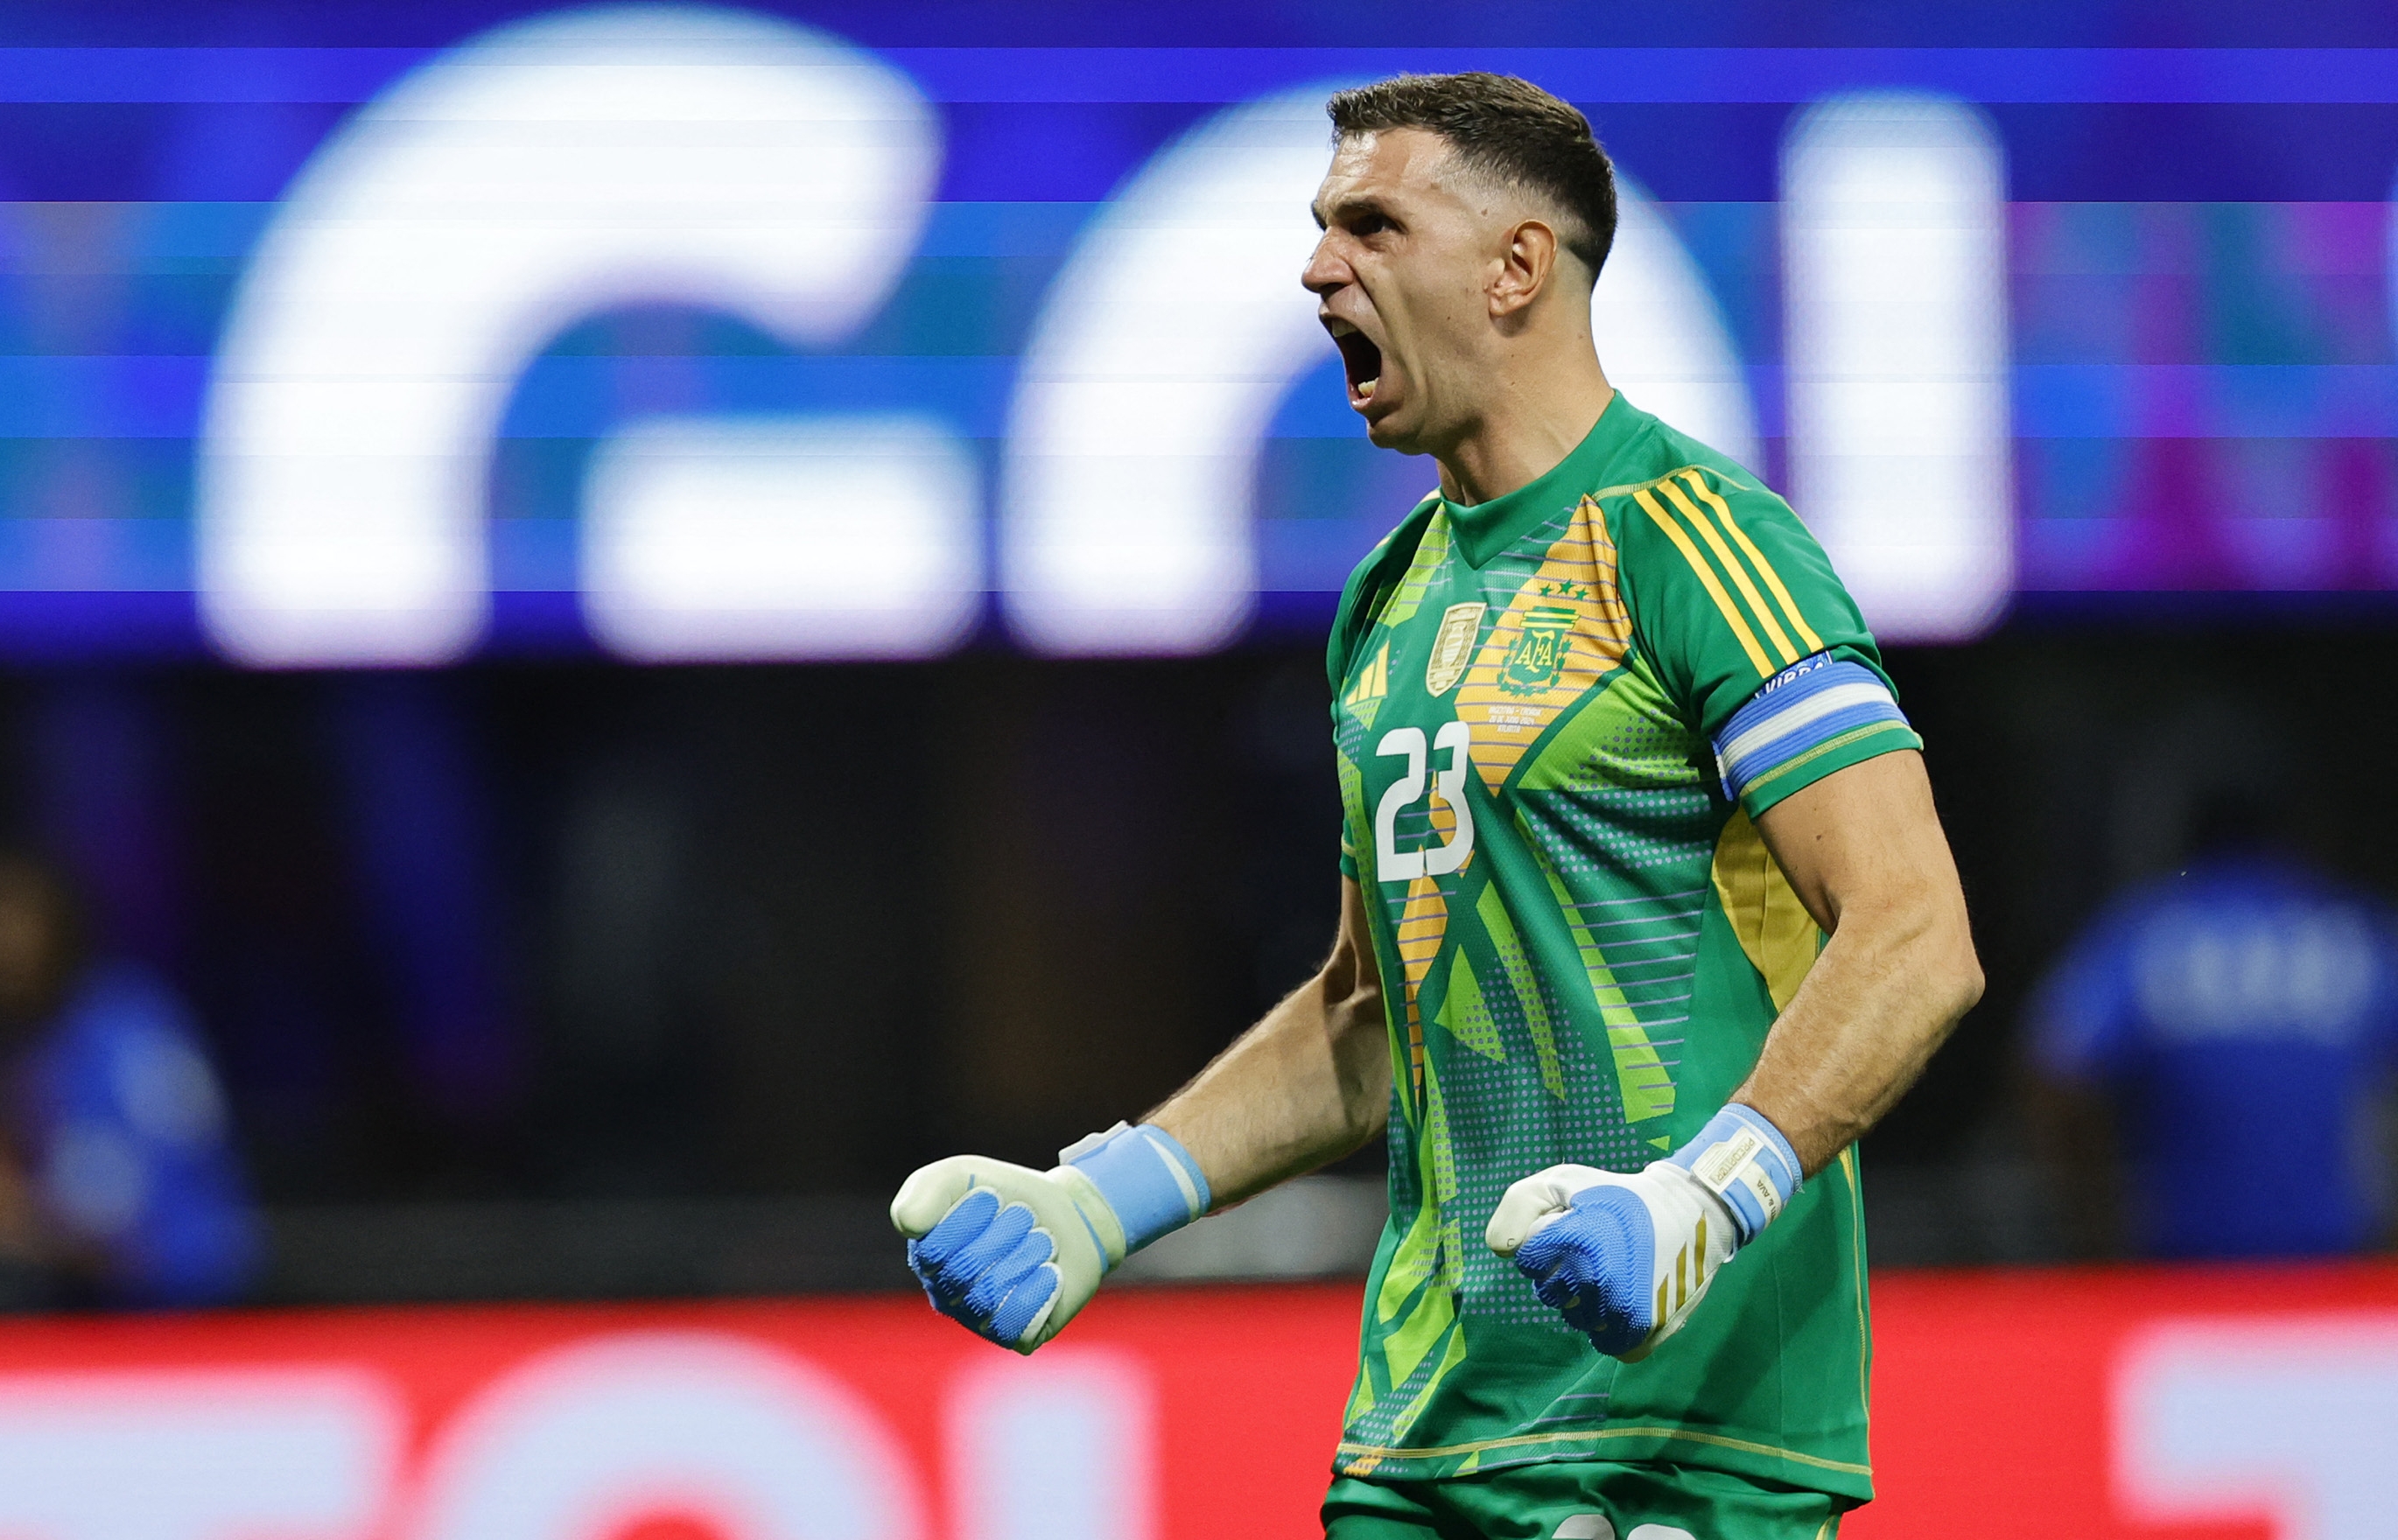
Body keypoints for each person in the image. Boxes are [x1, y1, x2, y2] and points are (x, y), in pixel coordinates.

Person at [893, 73, 1981, 1539]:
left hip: (1670, 1437)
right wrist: (1105, 1203)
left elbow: (1915, 933)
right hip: (1424, 1434)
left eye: (1372, 225)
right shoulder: (1387, 600)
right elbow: (1366, 1012)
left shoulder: (1695, 540)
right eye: (1321, 228)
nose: (1317, 268)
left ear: (1516, 268)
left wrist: (1700, 1202)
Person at [2027, 791, 2398, 1260]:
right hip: (2334, 1265)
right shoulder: (2352, 931)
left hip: (2187, 1266)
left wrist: (2095, 1226)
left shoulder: (2151, 932)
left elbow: (2053, 1066)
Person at [0, 856, 258, 1307]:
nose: (8, 946)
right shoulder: (26, 1042)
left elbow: (122, 1232)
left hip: (186, 1309)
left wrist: (21, 1220)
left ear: (57, 927)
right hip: (78, 1302)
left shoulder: (125, 1032)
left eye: (19, 922)